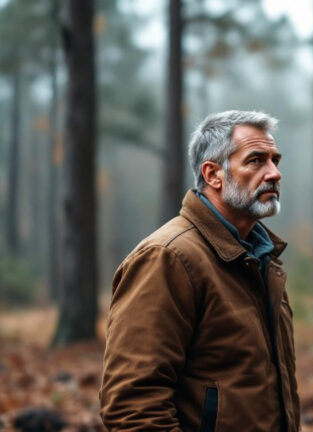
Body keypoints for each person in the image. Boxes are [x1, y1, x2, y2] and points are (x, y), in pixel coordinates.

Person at [99, 110, 300, 432]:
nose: (274, 173)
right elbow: (133, 406)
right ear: (213, 174)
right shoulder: (167, 258)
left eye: (275, 160)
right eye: (256, 161)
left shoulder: (262, 259)